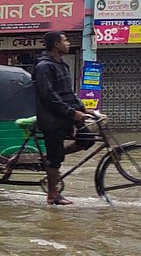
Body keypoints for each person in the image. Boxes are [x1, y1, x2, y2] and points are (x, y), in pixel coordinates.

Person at [34, 30, 95, 205]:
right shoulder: (44, 66)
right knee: (55, 158)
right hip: (52, 119)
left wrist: (84, 109)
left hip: (66, 116)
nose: (68, 43)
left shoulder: (63, 64)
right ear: (56, 45)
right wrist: (71, 112)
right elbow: (49, 96)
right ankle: (52, 195)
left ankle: (51, 156)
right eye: (65, 40)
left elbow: (68, 92)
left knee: (88, 139)